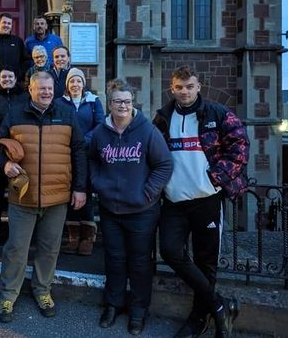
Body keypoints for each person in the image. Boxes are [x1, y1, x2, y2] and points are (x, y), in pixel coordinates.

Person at [153, 65, 249, 338]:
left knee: (206, 262)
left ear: (198, 87)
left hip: (206, 199)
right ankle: (219, 305)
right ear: (172, 88)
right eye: (179, 87)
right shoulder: (163, 117)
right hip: (173, 200)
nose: (184, 92)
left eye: (190, 86)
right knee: (171, 251)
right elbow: (152, 152)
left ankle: (198, 318)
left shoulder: (217, 113)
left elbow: (240, 147)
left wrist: (215, 179)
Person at [0, 71, 87, 323]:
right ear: (30, 90)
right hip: (23, 195)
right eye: (41, 88)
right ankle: (8, 295)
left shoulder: (67, 114)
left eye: (50, 88)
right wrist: (4, 165)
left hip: (57, 197)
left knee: (49, 249)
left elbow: (79, 151)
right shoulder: (15, 114)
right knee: (16, 249)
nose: (46, 92)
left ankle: (42, 290)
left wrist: (80, 187)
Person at [88, 79, 173, 334]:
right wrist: (97, 183)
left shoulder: (147, 131)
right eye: (117, 101)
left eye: (127, 101)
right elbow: (93, 160)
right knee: (114, 259)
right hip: (110, 209)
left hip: (142, 211)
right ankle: (113, 304)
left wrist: (147, 193)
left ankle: (138, 310)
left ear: (132, 102)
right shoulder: (101, 133)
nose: (122, 105)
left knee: (139, 262)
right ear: (110, 104)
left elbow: (164, 165)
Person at [57, 68, 104, 255]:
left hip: (86, 154)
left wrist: (83, 141)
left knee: (84, 192)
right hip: (66, 155)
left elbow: (100, 124)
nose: (75, 84)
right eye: (71, 81)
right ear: (67, 85)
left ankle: (87, 238)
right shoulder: (59, 103)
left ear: (83, 84)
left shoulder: (93, 102)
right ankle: (73, 237)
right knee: (69, 193)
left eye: (78, 81)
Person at [0, 67, 29, 244]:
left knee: (20, 187)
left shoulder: (24, 96)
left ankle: (18, 229)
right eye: (3, 77)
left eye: (10, 76)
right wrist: (1, 135)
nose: (7, 79)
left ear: (15, 78)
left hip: (20, 146)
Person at [0, 13, 30, 80]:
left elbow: (26, 60)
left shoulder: (18, 41)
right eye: (4, 22)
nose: (6, 25)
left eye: (9, 23)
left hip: (13, 81)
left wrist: (18, 73)